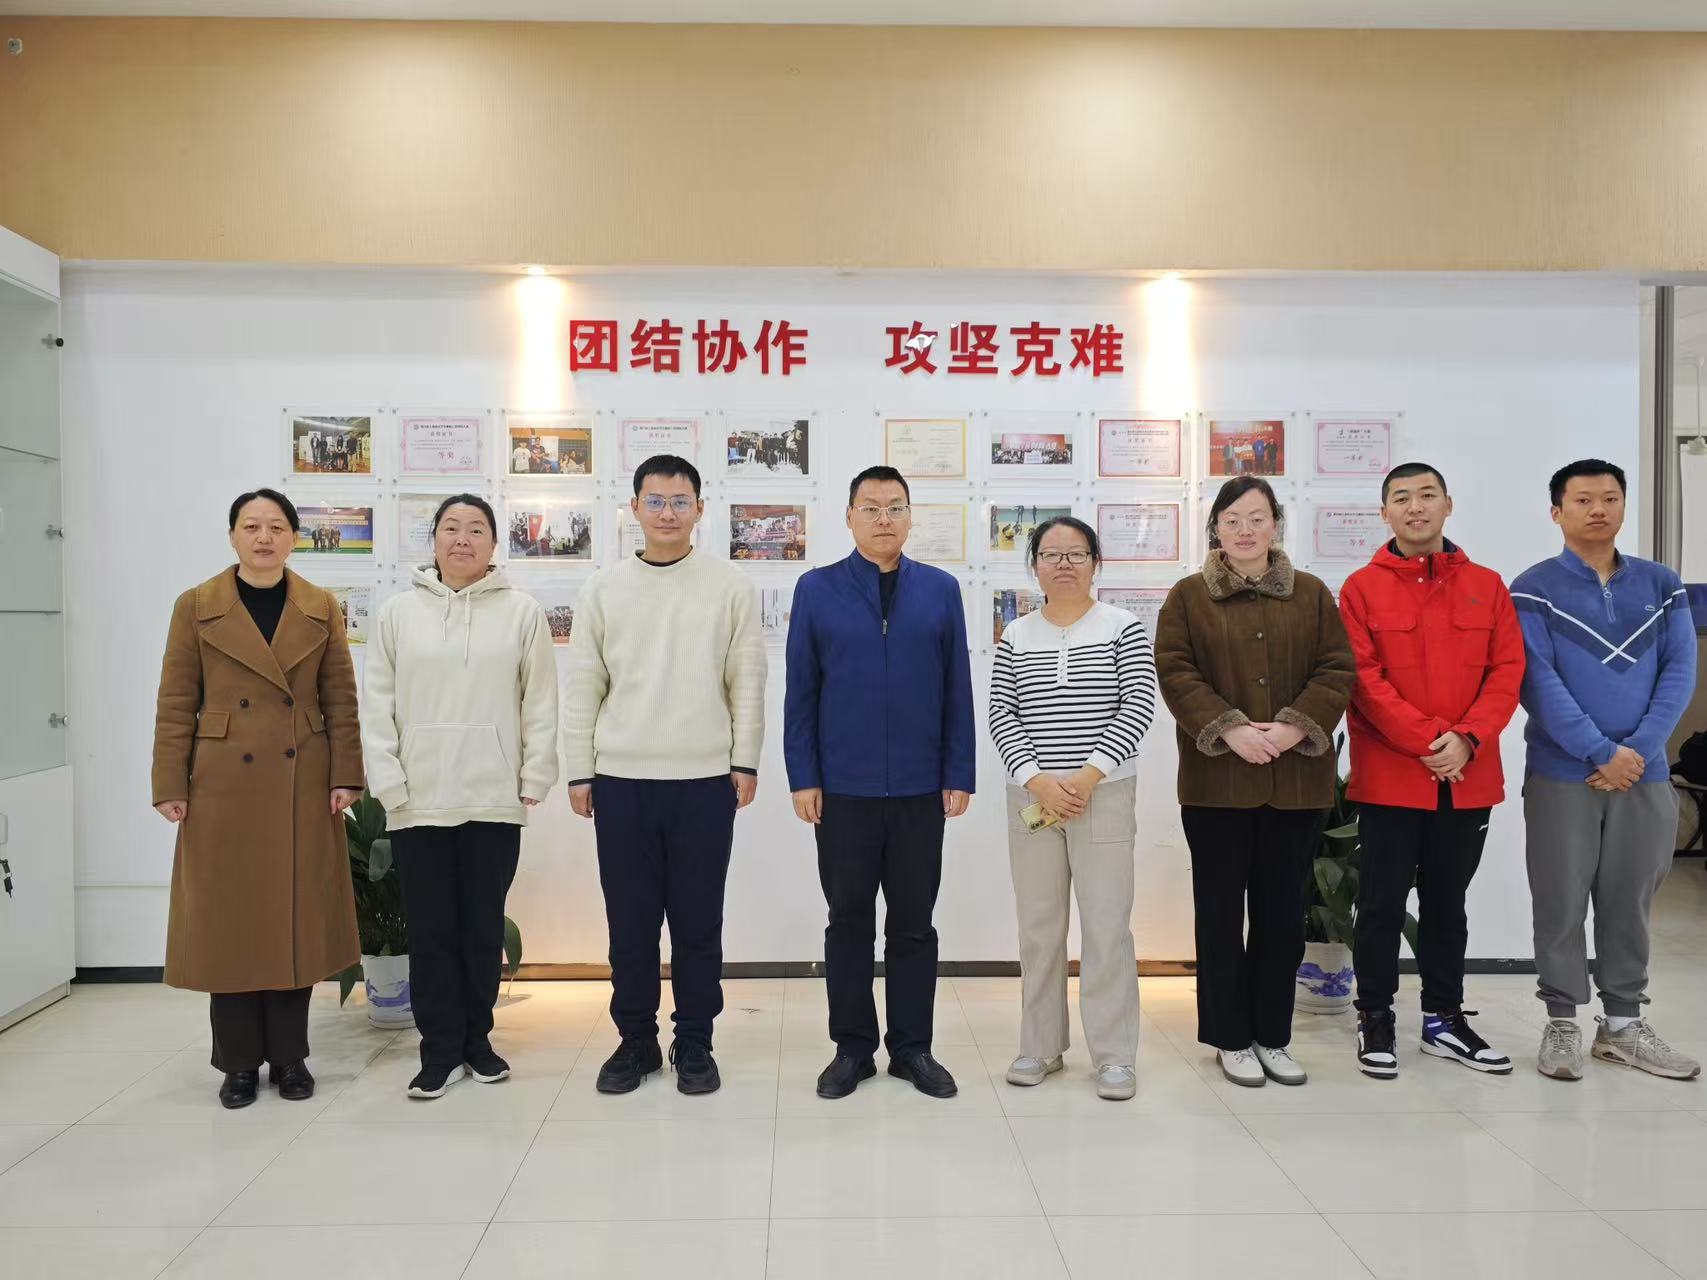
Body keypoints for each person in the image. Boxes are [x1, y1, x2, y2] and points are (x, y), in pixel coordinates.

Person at [150, 488, 363, 1110]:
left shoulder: (320, 606)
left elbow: (340, 699)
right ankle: (238, 1063)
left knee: (293, 920)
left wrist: (346, 775)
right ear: (233, 536)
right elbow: (175, 702)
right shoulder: (196, 606)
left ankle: (291, 1057)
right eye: (251, 526)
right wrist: (169, 782)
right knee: (231, 923)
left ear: (295, 537)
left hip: (302, 780)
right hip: (222, 783)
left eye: (276, 527)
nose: (264, 537)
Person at [561, 454, 766, 1096]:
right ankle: (637, 1041)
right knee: (630, 923)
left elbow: (747, 679)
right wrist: (580, 771)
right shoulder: (603, 588)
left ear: (700, 509)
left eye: (680, 501)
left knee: (698, 923)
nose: (668, 513)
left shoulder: (729, 585)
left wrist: (745, 759)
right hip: (621, 779)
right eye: (655, 501)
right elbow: (584, 684)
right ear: (634, 508)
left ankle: (695, 1042)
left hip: (705, 779)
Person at [1154, 476, 1354, 1088]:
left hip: (1296, 784)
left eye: (1258, 518)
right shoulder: (1188, 597)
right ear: (1215, 527)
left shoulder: (1311, 593)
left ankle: (1272, 1035)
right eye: (1233, 519)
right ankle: (1230, 1038)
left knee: (1282, 918)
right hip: (1215, 784)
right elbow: (1176, 672)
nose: (1245, 530)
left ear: (1276, 524)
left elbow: (1336, 668)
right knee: (1218, 916)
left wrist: (1293, 729)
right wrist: (1232, 729)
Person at [360, 494, 559, 1100]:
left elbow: (539, 701)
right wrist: (389, 784)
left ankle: (478, 1043)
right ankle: (439, 1050)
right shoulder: (397, 614)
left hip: (492, 797)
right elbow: (376, 705)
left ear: (494, 544)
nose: (463, 539)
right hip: (418, 800)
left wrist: (534, 777)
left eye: (476, 529)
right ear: (435, 541)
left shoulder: (522, 613)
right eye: (451, 528)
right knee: (431, 931)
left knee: (480, 929)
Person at [786, 465, 975, 1101]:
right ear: (849, 517)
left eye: (895, 507)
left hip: (921, 790)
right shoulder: (817, 589)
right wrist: (804, 776)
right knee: (847, 923)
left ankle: (913, 1048)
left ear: (910, 516)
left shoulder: (940, 590)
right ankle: (852, 1049)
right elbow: (801, 692)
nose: (884, 519)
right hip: (843, 790)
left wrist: (958, 771)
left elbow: (957, 689)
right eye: (870, 508)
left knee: (915, 923)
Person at [1511, 459, 1699, 1082]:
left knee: (1630, 899)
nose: (1598, 509)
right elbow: (1537, 682)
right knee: (1559, 900)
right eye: (1583, 499)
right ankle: (1562, 1022)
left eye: (1610, 498)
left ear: (1623, 505)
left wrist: (1635, 752)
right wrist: (1599, 752)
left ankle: (1622, 1026)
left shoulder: (1662, 584)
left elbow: (1679, 673)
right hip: (1562, 773)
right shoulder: (1533, 588)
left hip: (1643, 774)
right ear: (1556, 511)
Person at [1338, 463, 1525, 1079]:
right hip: (1392, 776)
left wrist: (1467, 739)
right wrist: (1429, 740)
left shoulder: (1487, 586)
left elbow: (1507, 672)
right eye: (1402, 498)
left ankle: (1445, 1020)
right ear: (1384, 513)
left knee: (1448, 903)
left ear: (1448, 504)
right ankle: (1375, 1017)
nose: (1415, 507)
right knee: (1381, 904)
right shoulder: (1362, 588)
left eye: (1426, 496)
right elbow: (1364, 681)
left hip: (1468, 777)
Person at [990, 516, 1156, 1101]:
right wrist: (1038, 781)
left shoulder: (1122, 627)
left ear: (1095, 563)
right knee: (1039, 929)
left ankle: (1114, 1055)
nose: (1064, 563)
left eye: (1077, 554)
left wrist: (1086, 778)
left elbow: (1138, 705)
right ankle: (1040, 1045)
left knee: (1107, 927)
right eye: (1052, 554)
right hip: (1033, 797)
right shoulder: (1016, 634)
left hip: (1102, 794)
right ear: (1034, 564)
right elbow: (1002, 714)